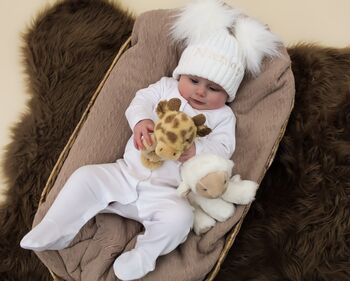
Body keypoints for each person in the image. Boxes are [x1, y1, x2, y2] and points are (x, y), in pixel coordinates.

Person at [20, 0, 280, 280]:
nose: (201, 92)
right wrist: (141, 122)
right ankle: (57, 229)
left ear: (227, 94)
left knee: (180, 220)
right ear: (182, 73)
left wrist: (196, 150)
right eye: (194, 80)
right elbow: (139, 102)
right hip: (124, 174)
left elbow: (224, 149)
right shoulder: (165, 88)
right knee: (85, 178)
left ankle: (144, 256)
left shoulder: (223, 117)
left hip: (166, 194)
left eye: (213, 88)